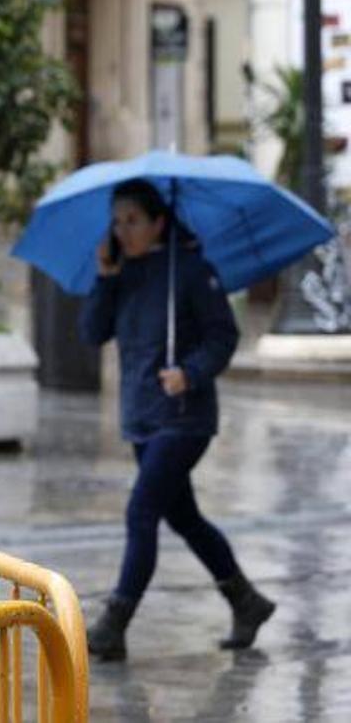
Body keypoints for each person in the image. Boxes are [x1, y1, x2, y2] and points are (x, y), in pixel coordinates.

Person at [78, 178, 275, 661]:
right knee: (183, 516)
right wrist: (104, 278)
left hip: (185, 418)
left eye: (134, 221)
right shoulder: (123, 273)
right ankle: (246, 600)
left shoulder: (190, 272)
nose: (124, 231)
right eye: (117, 221)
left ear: (158, 222)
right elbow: (91, 333)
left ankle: (114, 623)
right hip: (142, 416)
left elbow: (223, 336)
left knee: (140, 511)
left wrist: (190, 372)